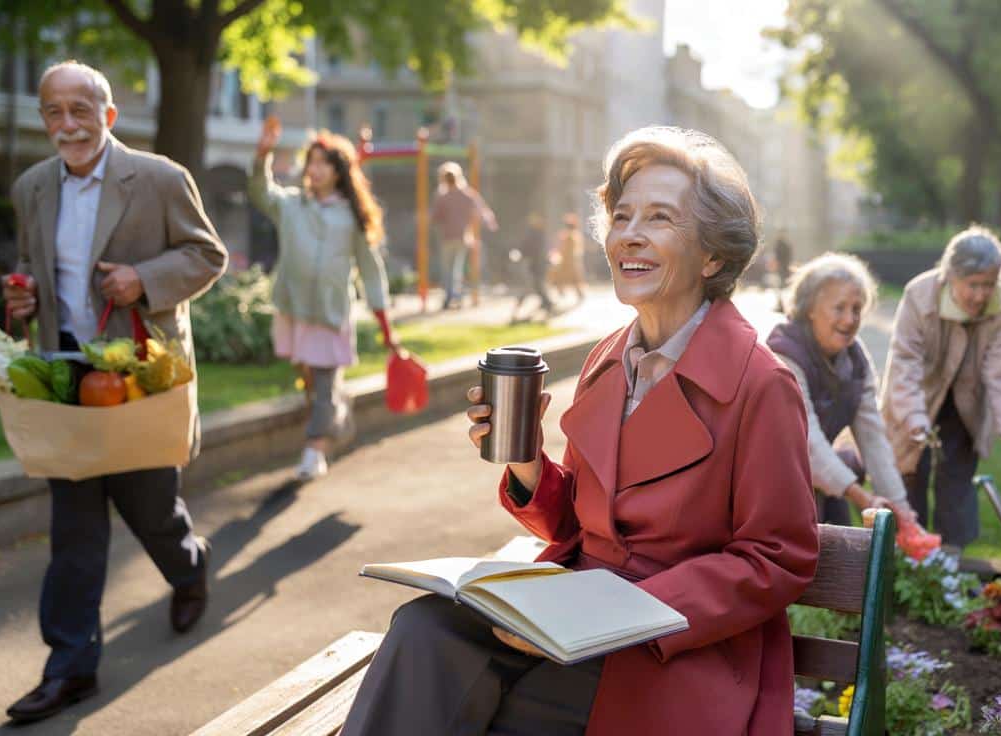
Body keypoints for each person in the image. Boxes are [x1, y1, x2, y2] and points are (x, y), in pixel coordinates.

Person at [341, 126, 819, 736]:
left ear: (713, 255)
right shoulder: (606, 359)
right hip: (571, 621)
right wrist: (528, 467)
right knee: (422, 629)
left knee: (502, 713)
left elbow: (777, 558)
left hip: (675, 646)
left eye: (661, 219)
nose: (630, 235)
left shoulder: (760, 384)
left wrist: (620, 613)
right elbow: (583, 524)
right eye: (622, 217)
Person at [0, 60, 227, 723]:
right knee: (74, 531)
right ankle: (69, 668)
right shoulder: (31, 187)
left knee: (152, 507)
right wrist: (25, 290)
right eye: (53, 112)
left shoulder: (157, 178)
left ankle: (188, 567)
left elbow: (206, 255)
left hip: (140, 371)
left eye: (80, 109)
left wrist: (142, 278)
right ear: (43, 118)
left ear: (108, 114)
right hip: (65, 375)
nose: (66, 125)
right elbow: (28, 260)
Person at [880, 227, 1001, 559]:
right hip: (916, 399)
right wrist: (913, 416)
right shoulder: (920, 295)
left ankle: (951, 562)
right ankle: (908, 561)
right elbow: (904, 363)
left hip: (965, 406)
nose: (982, 295)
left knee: (956, 482)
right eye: (973, 284)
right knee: (910, 475)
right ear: (951, 276)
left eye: (989, 284)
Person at [250, 118, 395, 481]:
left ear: (338, 170)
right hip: (295, 309)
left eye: (322, 163)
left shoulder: (352, 216)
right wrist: (262, 156)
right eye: (310, 161)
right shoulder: (291, 204)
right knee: (314, 381)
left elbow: (371, 270)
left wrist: (385, 323)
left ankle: (315, 449)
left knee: (326, 381)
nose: (313, 169)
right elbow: (259, 194)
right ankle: (336, 414)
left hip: (331, 312)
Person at [767, 253, 918, 529]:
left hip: (817, 474)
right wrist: (863, 498)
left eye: (857, 309)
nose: (850, 320)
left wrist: (901, 510)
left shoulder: (856, 359)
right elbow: (806, 440)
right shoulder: (783, 353)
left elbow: (874, 439)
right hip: (770, 480)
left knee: (843, 548)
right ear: (810, 308)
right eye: (839, 308)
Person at [430, 161, 497, 309]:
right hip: (463, 236)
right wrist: (489, 222)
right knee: (457, 268)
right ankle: (456, 295)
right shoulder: (467, 194)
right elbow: (482, 209)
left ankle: (450, 296)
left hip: (448, 236)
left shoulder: (442, 196)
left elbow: (435, 218)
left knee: (447, 268)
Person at [509, 212, 556, 322]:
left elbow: (527, 248)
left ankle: (546, 305)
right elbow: (525, 248)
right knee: (535, 288)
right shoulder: (536, 234)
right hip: (535, 266)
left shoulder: (538, 234)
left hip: (537, 266)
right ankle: (547, 305)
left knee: (531, 288)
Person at [549, 212, 588, 304]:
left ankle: (570, 293)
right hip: (570, 261)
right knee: (568, 278)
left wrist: (558, 253)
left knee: (564, 278)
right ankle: (568, 293)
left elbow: (563, 247)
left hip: (568, 261)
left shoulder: (569, 235)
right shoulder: (573, 234)